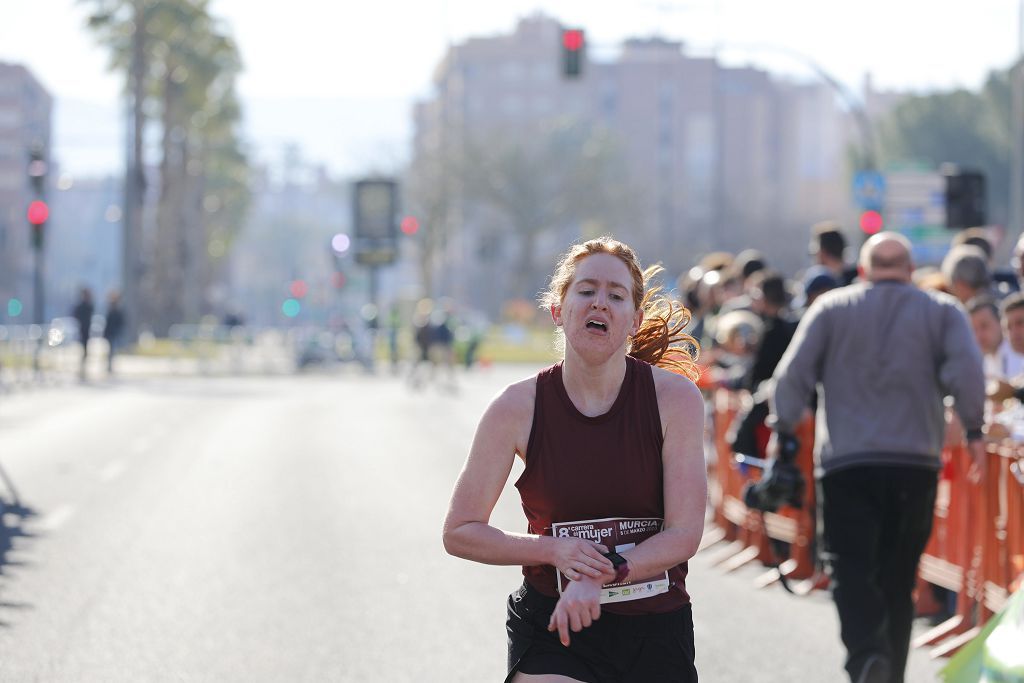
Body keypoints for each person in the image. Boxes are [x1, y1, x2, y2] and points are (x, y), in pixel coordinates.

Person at [442, 237, 707, 682]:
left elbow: (684, 533)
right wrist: (556, 551)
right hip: (556, 623)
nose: (599, 303)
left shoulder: (674, 400)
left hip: (653, 622)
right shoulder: (516, 407)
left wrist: (602, 574)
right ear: (558, 311)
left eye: (615, 295)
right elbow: (460, 531)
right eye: (585, 291)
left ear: (634, 321)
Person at [770, 232, 986, 683]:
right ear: (910, 270)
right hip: (916, 462)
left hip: (847, 462)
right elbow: (967, 372)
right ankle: (891, 672)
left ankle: (868, 656)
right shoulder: (942, 311)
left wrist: (785, 432)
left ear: (864, 269)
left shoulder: (831, 309)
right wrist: (973, 428)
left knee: (849, 569)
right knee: (898, 576)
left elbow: (790, 378)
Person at [71, 286, 95, 380]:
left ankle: (83, 365)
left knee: (85, 349)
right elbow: (75, 314)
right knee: (82, 348)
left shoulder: (88, 305)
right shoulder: (82, 305)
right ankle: (82, 366)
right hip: (82, 330)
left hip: (86, 330)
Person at [102, 290, 125, 375]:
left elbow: (120, 322)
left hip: (114, 333)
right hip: (110, 333)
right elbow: (107, 323)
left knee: (113, 350)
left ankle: (111, 365)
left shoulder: (118, 310)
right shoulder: (111, 310)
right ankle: (109, 365)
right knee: (110, 350)